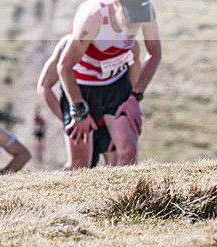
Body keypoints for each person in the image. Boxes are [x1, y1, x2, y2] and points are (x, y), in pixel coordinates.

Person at [57, 0, 161, 169]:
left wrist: (135, 98)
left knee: (128, 153)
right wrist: (78, 110)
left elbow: (154, 54)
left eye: (139, 18)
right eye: (131, 17)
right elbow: (64, 66)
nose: (135, 23)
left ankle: (125, 198)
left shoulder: (147, 11)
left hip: (115, 82)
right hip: (81, 85)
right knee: (80, 165)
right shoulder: (94, 16)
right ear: (117, 5)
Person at [38, 27, 142, 168]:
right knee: (79, 167)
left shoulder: (126, 45)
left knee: (123, 161)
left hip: (110, 114)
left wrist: (122, 123)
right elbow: (44, 87)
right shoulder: (67, 46)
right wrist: (66, 121)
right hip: (80, 116)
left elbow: (134, 89)